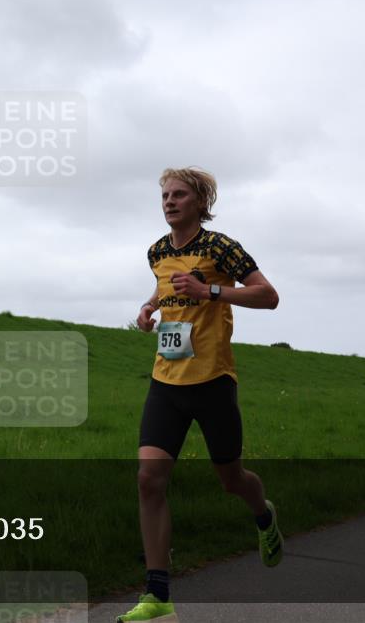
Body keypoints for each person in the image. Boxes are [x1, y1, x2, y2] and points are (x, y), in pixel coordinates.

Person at [118, 167, 282, 623]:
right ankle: (157, 594)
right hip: (166, 380)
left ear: (199, 201)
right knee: (149, 478)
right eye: (165, 195)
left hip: (212, 382)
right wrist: (150, 306)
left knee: (231, 480)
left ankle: (263, 514)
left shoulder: (219, 247)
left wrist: (210, 290)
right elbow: (164, 283)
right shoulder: (156, 251)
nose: (169, 202)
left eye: (179, 195)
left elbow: (267, 296)